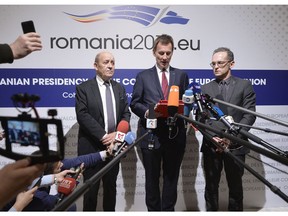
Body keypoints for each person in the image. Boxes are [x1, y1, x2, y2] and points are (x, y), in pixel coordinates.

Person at [130, 34, 189, 211]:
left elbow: (187, 103)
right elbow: (134, 103)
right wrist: (148, 112)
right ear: (154, 52)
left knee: (171, 179)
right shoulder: (143, 76)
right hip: (151, 135)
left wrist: (184, 109)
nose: (164, 57)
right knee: (151, 179)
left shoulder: (181, 75)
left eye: (168, 53)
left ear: (172, 53)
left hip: (175, 135)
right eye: (161, 53)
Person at [199, 47, 256, 211]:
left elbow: (249, 115)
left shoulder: (244, 85)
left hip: (236, 145)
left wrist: (230, 137)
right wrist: (213, 138)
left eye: (220, 63)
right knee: (210, 188)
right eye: (213, 63)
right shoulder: (205, 89)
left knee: (236, 189)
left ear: (231, 63)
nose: (216, 67)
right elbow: (201, 119)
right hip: (212, 145)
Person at [75, 51, 131, 211]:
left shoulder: (119, 88)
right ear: (96, 66)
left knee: (110, 190)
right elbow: (82, 115)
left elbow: (126, 114)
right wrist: (104, 136)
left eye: (113, 62)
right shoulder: (84, 88)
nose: (110, 66)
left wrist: (117, 135)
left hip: (115, 147)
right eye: (106, 62)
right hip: (91, 148)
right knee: (90, 192)